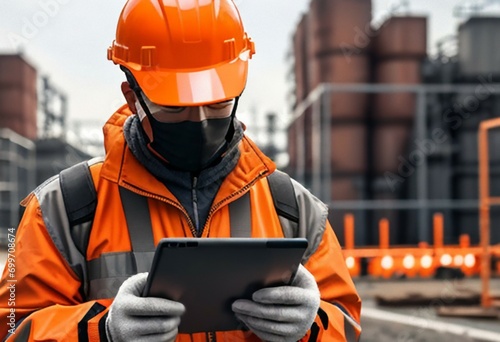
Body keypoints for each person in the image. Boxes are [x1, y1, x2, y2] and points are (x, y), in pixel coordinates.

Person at [0, 0, 362, 341]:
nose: (200, 121)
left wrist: (312, 326)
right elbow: (12, 325)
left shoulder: (294, 209)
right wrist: (104, 330)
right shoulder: (63, 208)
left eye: (217, 104)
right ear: (133, 97)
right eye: (174, 107)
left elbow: (345, 322)